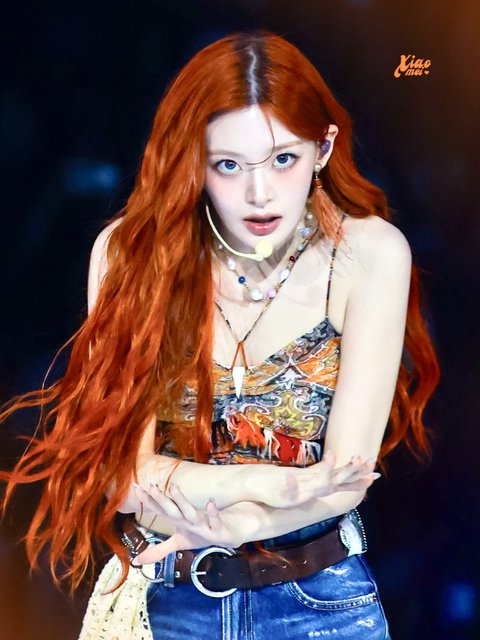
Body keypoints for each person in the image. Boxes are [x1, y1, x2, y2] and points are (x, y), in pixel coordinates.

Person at [1, 31, 439, 639]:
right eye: (229, 165)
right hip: (163, 598)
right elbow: (121, 477)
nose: (260, 194)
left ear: (322, 147)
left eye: (282, 159)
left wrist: (236, 526)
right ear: (195, 161)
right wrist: (270, 484)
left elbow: (346, 476)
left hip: (317, 605)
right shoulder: (132, 254)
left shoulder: (367, 254)